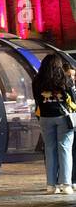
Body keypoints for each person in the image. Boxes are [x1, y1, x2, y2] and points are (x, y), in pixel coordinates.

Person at [32, 53, 76, 193]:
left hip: (45, 117)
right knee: (65, 149)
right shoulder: (64, 78)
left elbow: (36, 100)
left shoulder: (37, 80)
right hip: (63, 117)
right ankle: (66, 184)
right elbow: (73, 98)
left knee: (50, 150)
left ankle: (51, 185)